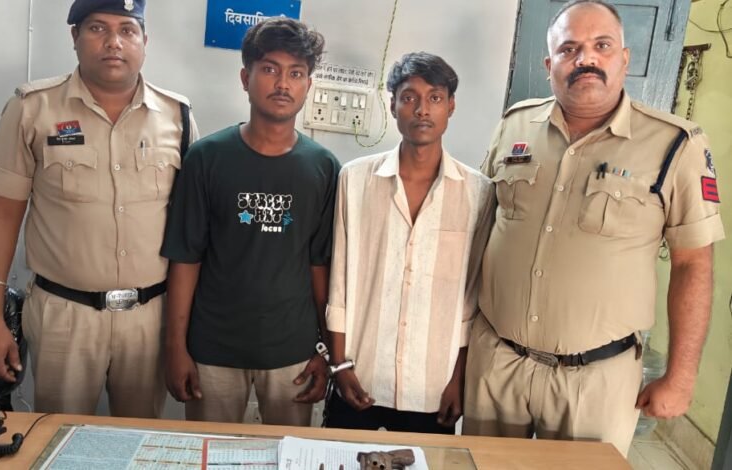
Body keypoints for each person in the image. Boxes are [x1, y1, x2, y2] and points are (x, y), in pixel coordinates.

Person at [463, 0, 724, 455]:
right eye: (569, 49)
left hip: (596, 379)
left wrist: (681, 377)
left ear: (624, 58)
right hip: (497, 363)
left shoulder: (675, 145)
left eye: (601, 45)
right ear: (550, 65)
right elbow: (481, 231)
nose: (585, 58)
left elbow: (692, 264)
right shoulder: (514, 124)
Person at [0, 0, 198, 418]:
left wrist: (183, 330)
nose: (114, 42)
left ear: (144, 41)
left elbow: (191, 229)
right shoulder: (32, 108)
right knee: (54, 434)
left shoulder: (177, 116)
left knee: (139, 439)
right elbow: (1, 214)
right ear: (74, 37)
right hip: (64, 316)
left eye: (127, 30)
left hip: (151, 317)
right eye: (97, 28)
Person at [161, 17, 339, 426]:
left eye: (296, 73)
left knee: (289, 453)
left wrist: (325, 349)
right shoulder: (206, 158)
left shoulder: (324, 168)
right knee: (209, 451)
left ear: (308, 85)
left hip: (293, 354)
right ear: (246, 77)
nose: (283, 84)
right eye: (270, 69)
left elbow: (321, 266)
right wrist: (175, 347)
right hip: (213, 350)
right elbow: (186, 259)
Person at [325, 52, 494, 434]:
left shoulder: (478, 193)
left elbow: (471, 299)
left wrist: (458, 379)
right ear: (393, 105)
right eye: (409, 97)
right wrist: (340, 365)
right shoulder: (355, 180)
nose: (422, 109)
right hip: (361, 374)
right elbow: (339, 283)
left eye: (435, 97)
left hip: (433, 386)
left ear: (451, 106)